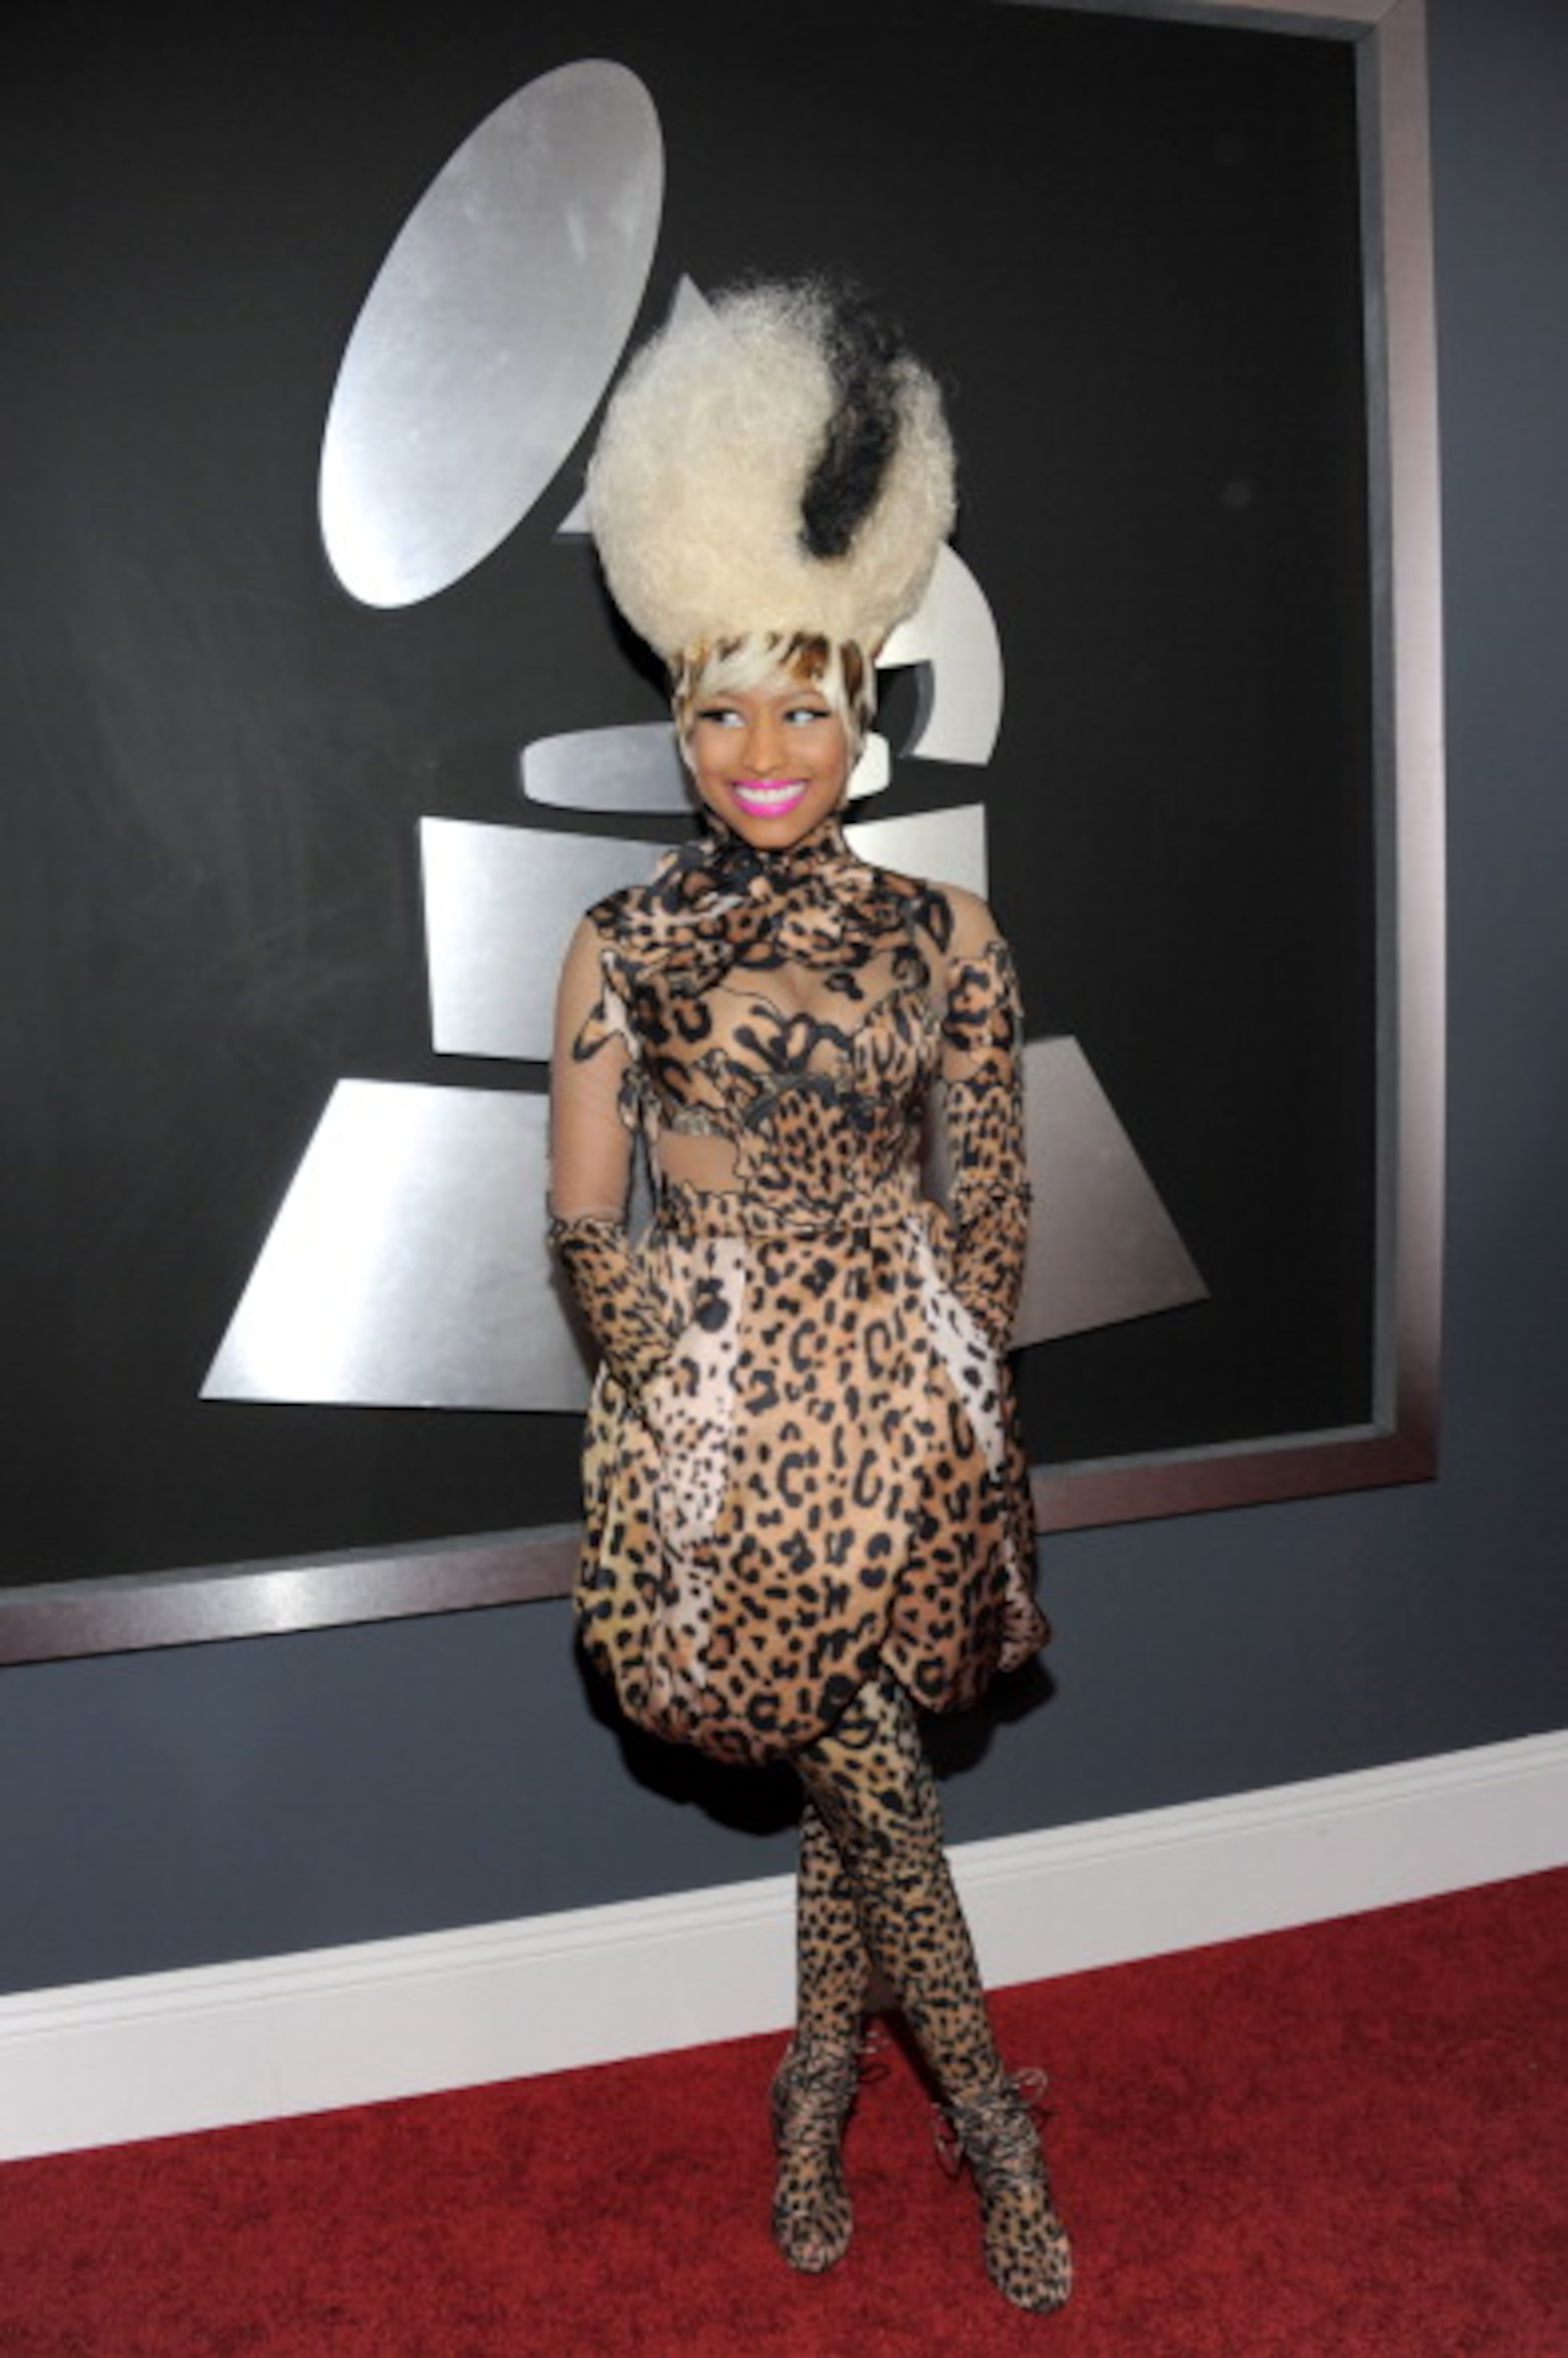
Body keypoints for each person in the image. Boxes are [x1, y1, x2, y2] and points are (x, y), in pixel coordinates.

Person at [548, 278, 1070, 2316]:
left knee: (862, 1777)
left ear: (867, 708)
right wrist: (695, 1405)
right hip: (718, 1441)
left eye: (805, 705)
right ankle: (994, 2123)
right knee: (877, 1778)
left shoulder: (955, 934)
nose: (763, 753)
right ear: (677, 717)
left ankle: (812, 2091)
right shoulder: (620, 946)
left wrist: (942, 1400)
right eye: (721, 708)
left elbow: (995, 1202)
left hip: (910, 1430)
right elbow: (587, 1227)